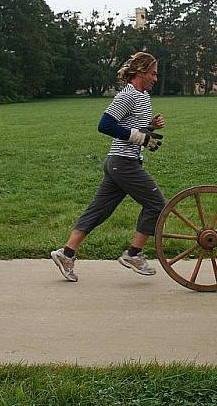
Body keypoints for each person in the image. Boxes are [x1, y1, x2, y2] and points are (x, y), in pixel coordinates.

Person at [51, 52, 166, 282]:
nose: (156, 78)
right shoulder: (127, 95)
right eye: (153, 74)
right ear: (141, 72)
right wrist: (139, 138)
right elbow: (105, 125)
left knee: (98, 211)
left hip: (121, 163)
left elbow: (135, 129)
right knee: (156, 204)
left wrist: (149, 129)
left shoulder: (143, 97)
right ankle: (133, 254)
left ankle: (66, 253)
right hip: (123, 163)